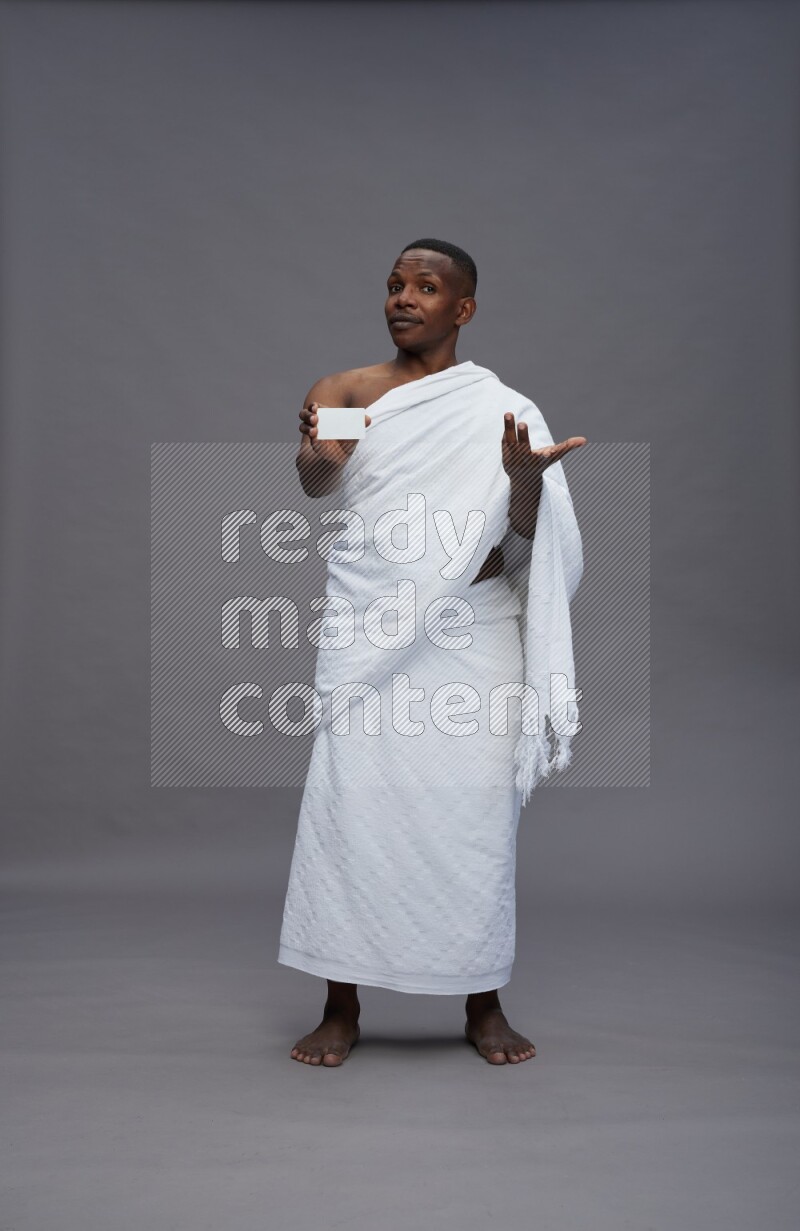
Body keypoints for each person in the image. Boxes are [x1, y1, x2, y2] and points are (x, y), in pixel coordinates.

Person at [279, 239, 585, 1066]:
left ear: (463, 308)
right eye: (393, 285)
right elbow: (321, 480)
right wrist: (313, 448)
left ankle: (481, 1001)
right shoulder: (349, 393)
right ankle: (340, 1004)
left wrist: (524, 477)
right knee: (351, 811)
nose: (402, 298)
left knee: (472, 816)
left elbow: (526, 540)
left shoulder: (503, 410)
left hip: (468, 632)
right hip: (372, 627)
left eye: (425, 286)